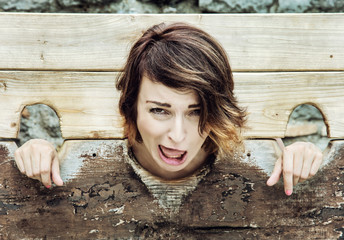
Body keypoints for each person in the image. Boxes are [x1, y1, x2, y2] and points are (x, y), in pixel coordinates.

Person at [14, 22, 323, 196]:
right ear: (131, 106)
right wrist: (41, 150)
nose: (178, 135)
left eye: (196, 111)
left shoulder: (260, 156)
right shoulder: (94, 148)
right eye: (159, 110)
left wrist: (301, 154)